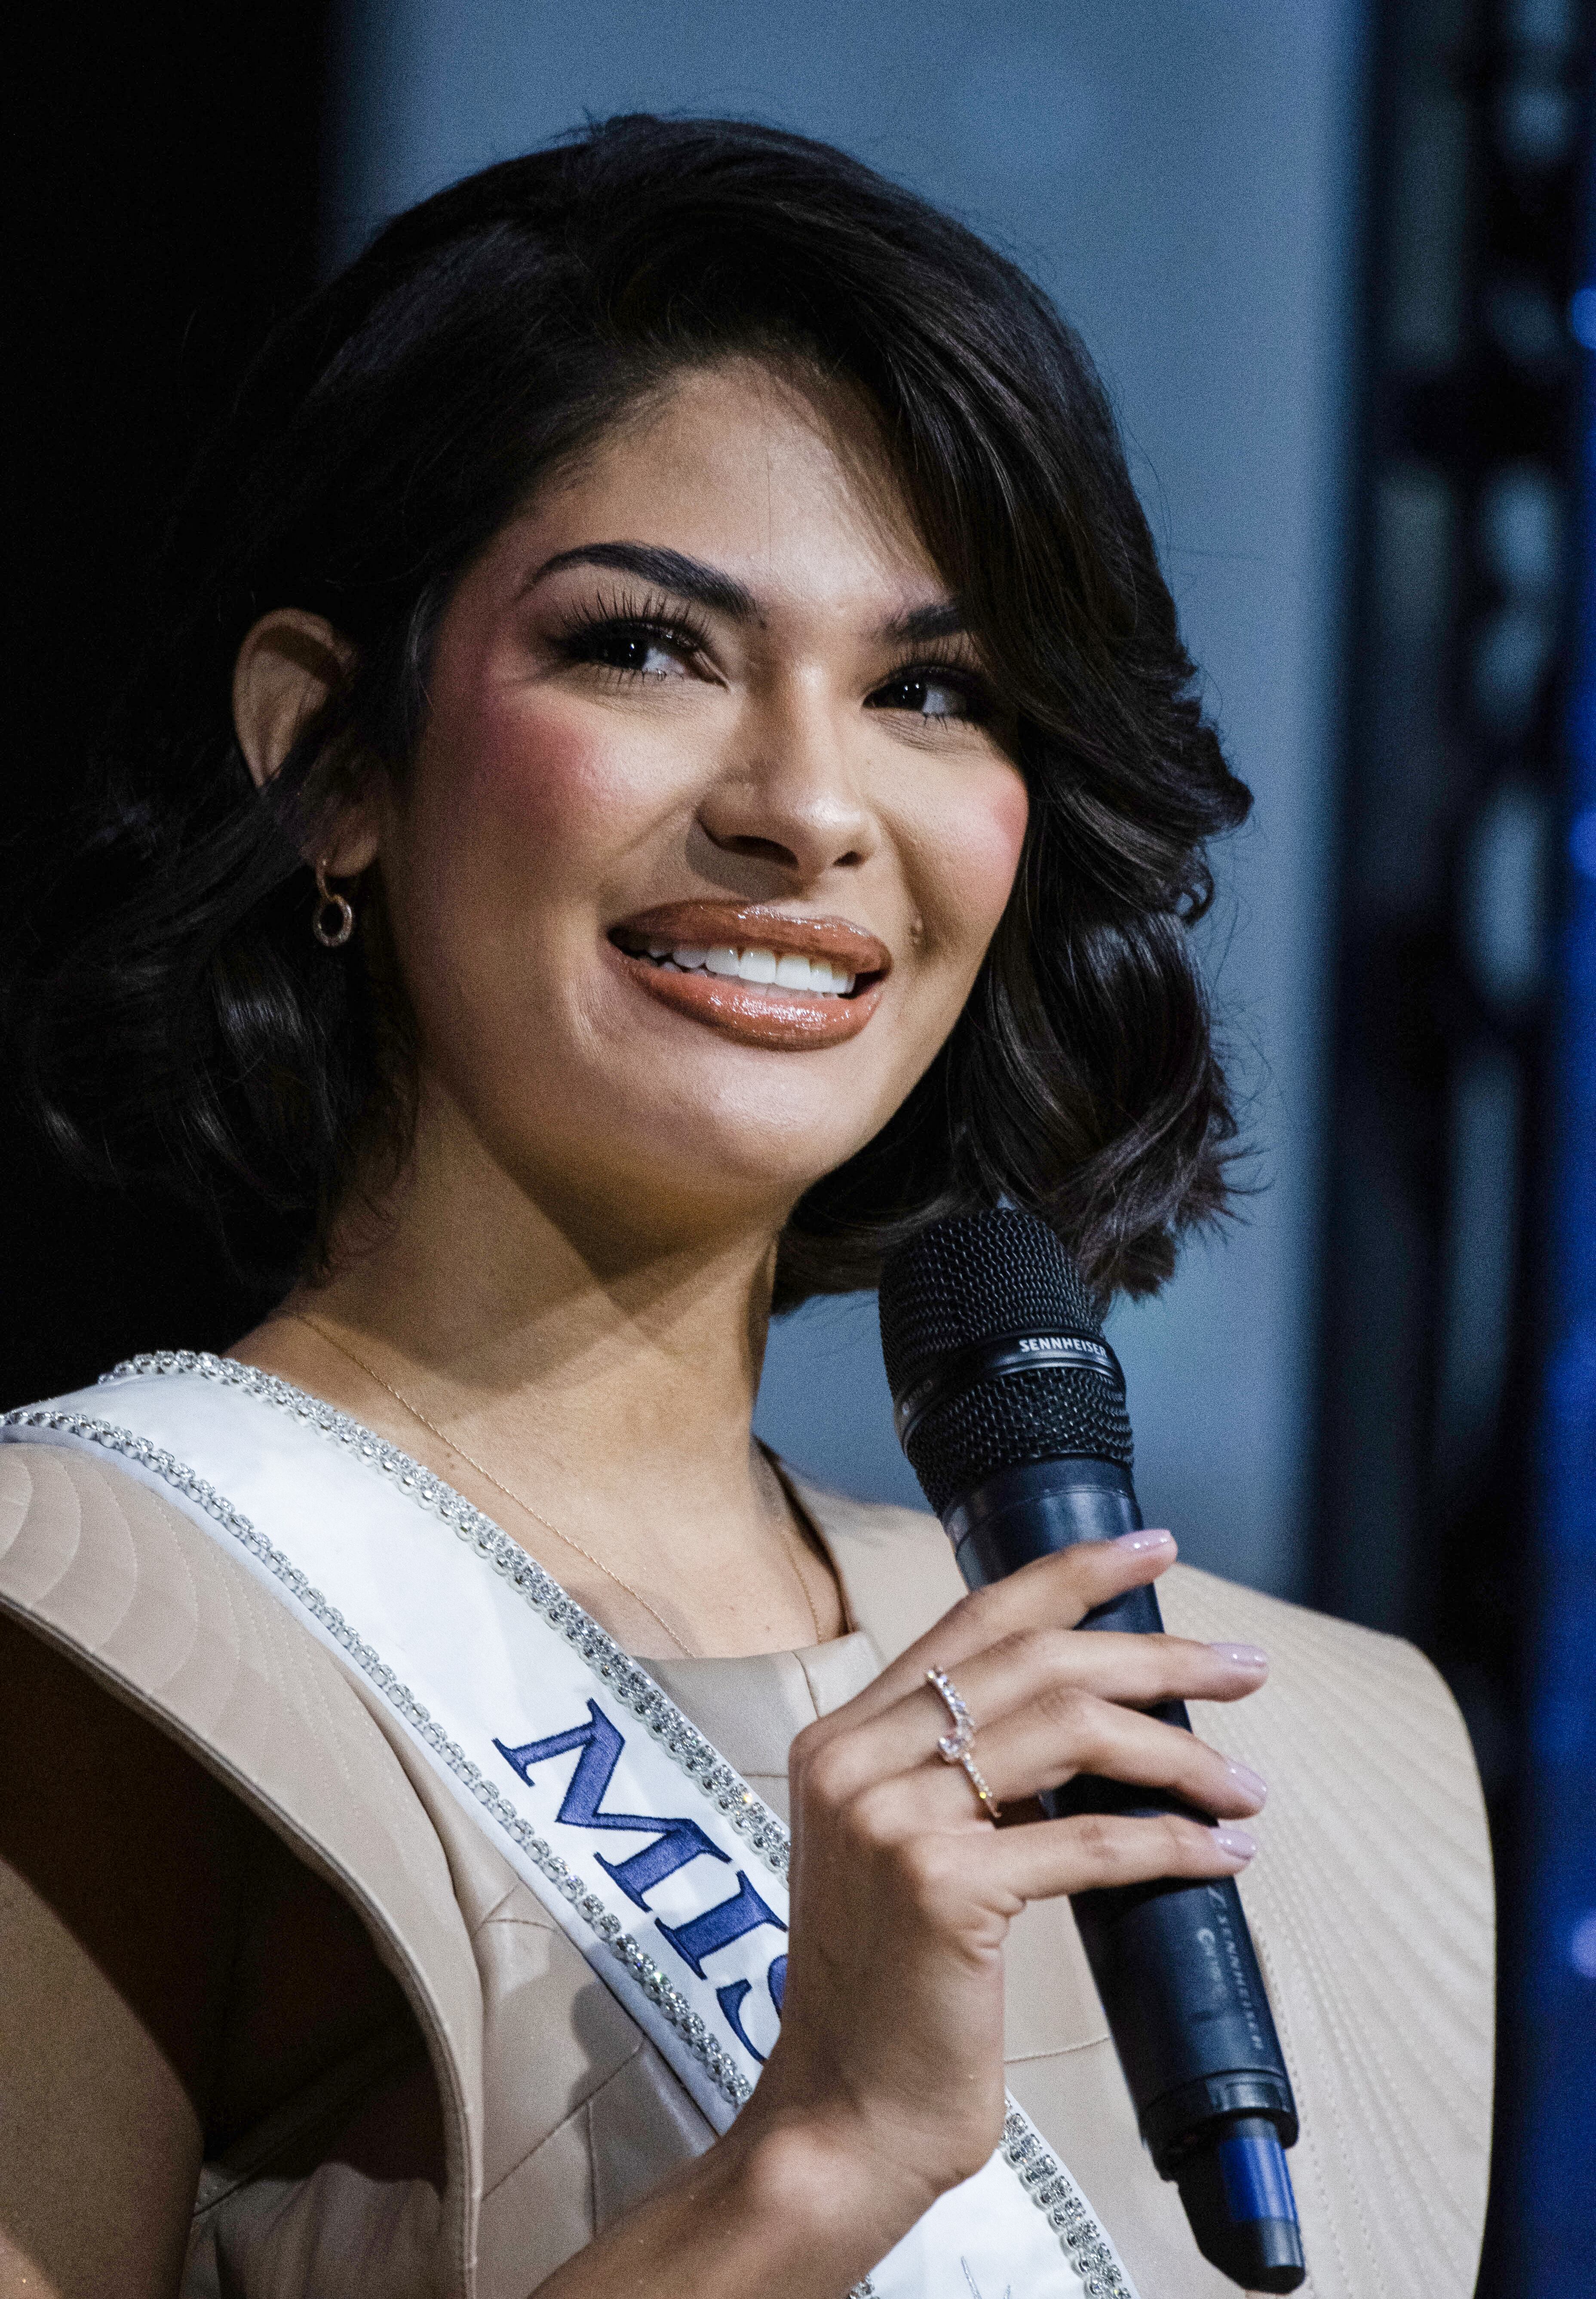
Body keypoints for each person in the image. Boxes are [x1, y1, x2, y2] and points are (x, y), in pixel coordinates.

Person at [0, 117, 1490, 2299]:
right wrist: (812, 2170)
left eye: (927, 691)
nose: (806, 806)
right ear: (328, 756)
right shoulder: (93, 1612)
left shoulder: (1303, 1757)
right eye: (646, 648)